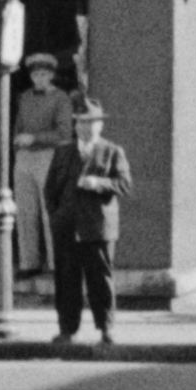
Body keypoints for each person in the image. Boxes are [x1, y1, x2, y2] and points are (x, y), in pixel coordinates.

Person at [42, 94, 134, 350]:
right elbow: (50, 190)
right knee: (67, 280)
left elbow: (125, 185)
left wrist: (99, 183)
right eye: (80, 122)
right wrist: (57, 217)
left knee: (100, 280)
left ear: (100, 125)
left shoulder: (112, 151)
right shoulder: (63, 152)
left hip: (98, 227)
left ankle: (106, 329)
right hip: (67, 227)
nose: (85, 127)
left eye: (90, 122)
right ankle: (67, 329)